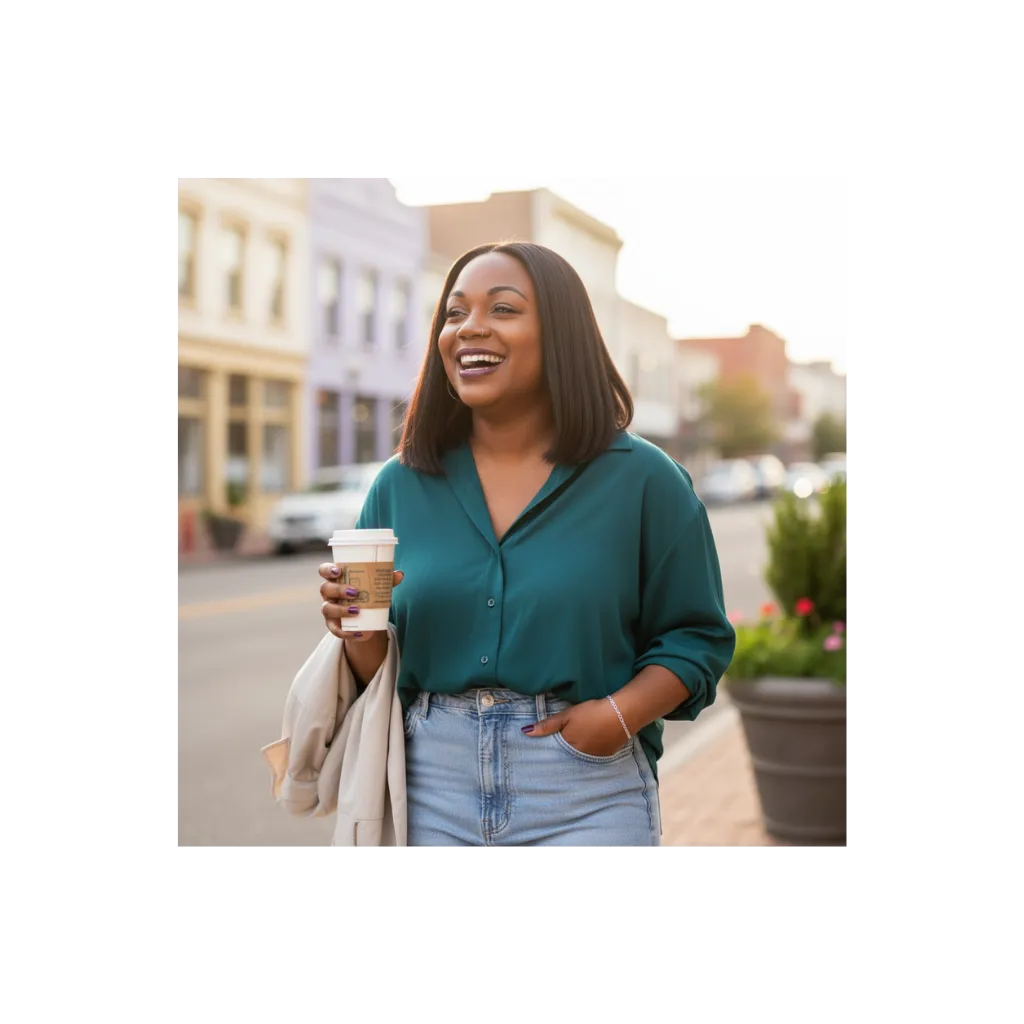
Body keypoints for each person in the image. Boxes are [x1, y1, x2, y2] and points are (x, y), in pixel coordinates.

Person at [317, 241, 735, 848]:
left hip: (584, 790)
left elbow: (698, 638)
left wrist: (613, 719)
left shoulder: (644, 479)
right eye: (454, 313)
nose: (469, 329)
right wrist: (358, 632)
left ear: (560, 334)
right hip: (432, 784)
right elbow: (378, 672)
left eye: (503, 309)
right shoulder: (400, 484)